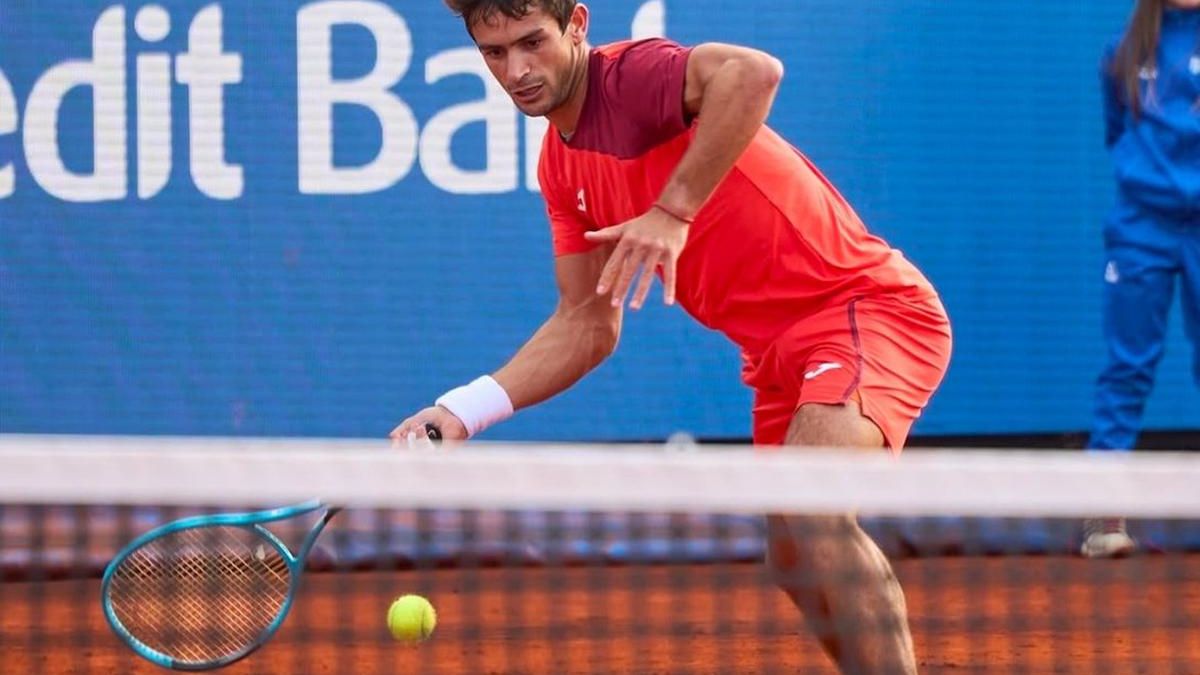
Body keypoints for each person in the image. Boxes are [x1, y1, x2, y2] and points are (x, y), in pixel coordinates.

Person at [392, 1, 952, 671]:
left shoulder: (629, 78)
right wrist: (463, 408)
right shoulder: (560, 168)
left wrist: (671, 210)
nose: (517, 70)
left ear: (576, 24)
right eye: (494, 53)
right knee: (795, 556)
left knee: (814, 509)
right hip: (776, 354)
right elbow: (585, 324)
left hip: (864, 310)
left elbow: (754, 73)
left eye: (531, 42)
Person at [1083, 0, 1200, 559]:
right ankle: (1104, 519)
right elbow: (1117, 134)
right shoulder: (1123, 54)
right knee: (1127, 367)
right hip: (1140, 230)